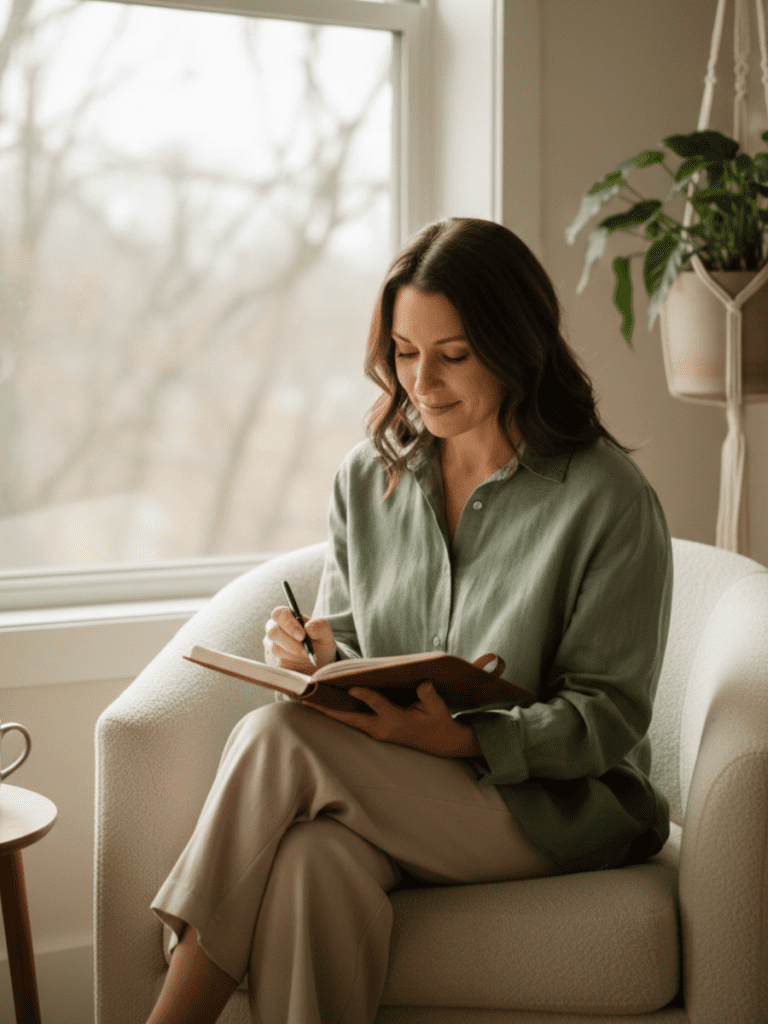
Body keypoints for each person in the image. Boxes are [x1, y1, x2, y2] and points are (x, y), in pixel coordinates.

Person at [146, 217, 673, 1024]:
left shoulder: (607, 498)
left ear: (516, 344)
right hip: (400, 788)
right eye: (403, 352)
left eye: (453, 355)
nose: (421, 381)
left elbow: (608, 718)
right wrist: (320, 652)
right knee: (308, 863)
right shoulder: (370, 477)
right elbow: (357, 638)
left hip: (548, 806)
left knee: (274, 740)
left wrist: (464, 738)